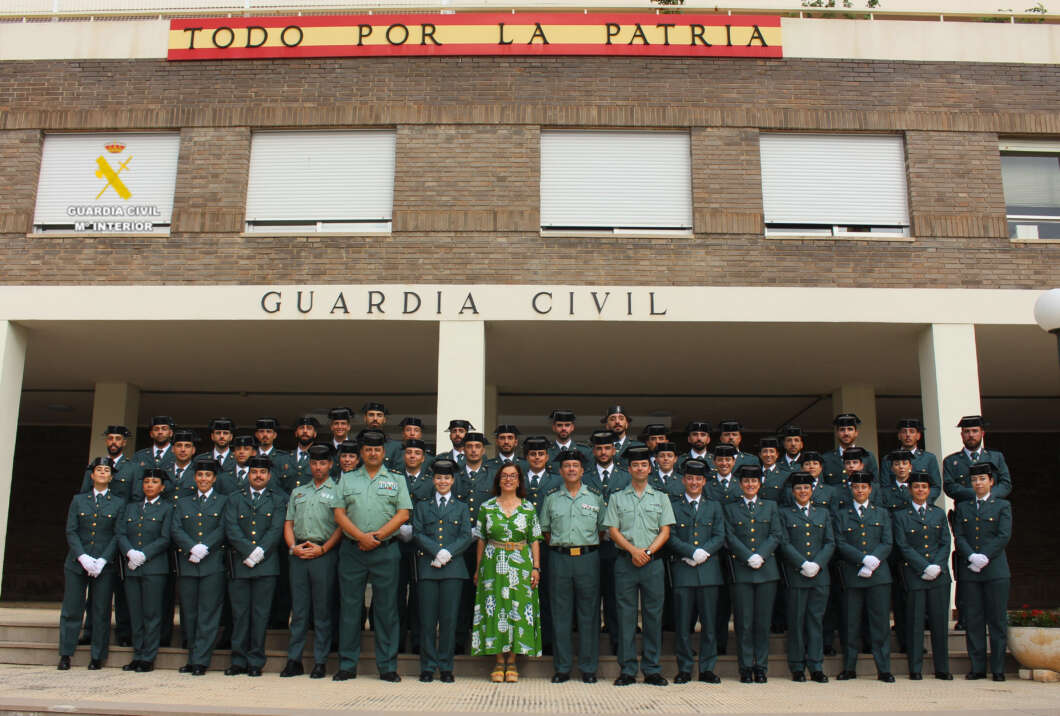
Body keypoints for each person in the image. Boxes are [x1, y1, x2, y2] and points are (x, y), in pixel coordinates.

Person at [332, 429, 412, 682]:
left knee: (386, 610)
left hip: (385, 551)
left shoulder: (396, 479)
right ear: (361, 453)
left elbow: (403, 514)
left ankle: (387, 666)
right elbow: (339, 513)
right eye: (368, 450)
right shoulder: (347, 479)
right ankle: (347, 665)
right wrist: (361, 537)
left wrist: (377, 537)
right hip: (352, 551)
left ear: (383, 452)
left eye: (377, 449)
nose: (373, 453)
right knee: (350, 608)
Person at [603, 445, 674, 686]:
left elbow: (665, 531)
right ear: (629, 469)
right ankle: (628, 669)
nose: (640, 468)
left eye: (644, 465)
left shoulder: (661, 498)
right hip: (626, 562)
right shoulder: (617, 498)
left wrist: (647, 552)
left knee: (653, 616)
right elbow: (612, 530)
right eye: (636, 465)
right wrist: (634, 551)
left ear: (650, 468)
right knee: (626, 617)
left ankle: (652, 669)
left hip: (653, 563)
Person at [471, 462, 542, 683]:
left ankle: (512, 660)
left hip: (521, 564)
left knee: (517, 609)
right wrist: (478, 569)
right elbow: (481, 540)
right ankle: (498, 660)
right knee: (495, 609)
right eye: (504, 476)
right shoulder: (487, 507)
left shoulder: (528, 508)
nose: (508, 479)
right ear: (498, 480)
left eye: (513, 476)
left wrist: (536, 567)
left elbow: (535, 539)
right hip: (493, 563)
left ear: (519, 481)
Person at [540, 449, 605, 684]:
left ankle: (588, 668)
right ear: (560, 471)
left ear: (582, 470)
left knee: (589, 614)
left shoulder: (595, 497)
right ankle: (562, 667)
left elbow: (602, 529)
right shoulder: (551, 498)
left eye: (575, 466)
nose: (571, 469)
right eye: (567, 466)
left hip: (587, 559)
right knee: (561, 614)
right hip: (560, 559)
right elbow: (545, 531)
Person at [223, 455, 288, 677]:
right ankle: (238, 660)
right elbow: (231, 527)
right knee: (239, 614)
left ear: (269, 476)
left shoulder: (277, 499)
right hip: (240, 563)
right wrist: (248, 551)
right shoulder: (235, 498)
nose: (258, 476)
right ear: (248, 475)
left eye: (262, 472)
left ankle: (255, 661)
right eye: (254, 472)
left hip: (266, 564)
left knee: (260, 615)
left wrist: (260, 552)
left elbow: (276, 528)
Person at [281, 444, 341, 679]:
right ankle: (294, 660)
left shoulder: (338, 491)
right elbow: (289, 523)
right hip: (299, 553)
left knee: (322, 610)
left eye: (323, 463)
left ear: (330, 465)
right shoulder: (298, 492)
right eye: (314, 463)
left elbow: (340, 526)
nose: (318, 467)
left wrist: (323, 548)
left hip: (323, 554)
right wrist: (293, 547)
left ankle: (320, 661)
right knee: (299, 611)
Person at [58, 457, 125, 671]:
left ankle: (97, 655)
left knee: (101, 610)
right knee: (72, 609)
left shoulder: (118, 503)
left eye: (107, 470)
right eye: (99, 470)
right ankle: (66, 653)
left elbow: (118, 534)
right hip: (77, 563)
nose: (103, 473)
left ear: (111, 477)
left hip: (104, 565)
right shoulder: (78, 500)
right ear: (92, 475)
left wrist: (103, 559)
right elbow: (71, 530)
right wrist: (82, 557)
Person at [413, 459, 473, 683]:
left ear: (453, 480)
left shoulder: (461, 507)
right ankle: (428, 666)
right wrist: (437, 551)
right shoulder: (423, 506)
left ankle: (446, 667)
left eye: (446, 478)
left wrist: (449, 552)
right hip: (428, 569)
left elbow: (466, 535)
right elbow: (418, 532)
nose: (442, 481)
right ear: (433, 480)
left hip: (453, 570)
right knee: (427, 621)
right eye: (439, 478)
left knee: (449, 621)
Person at [667, 459, 725, 684]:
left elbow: (719, 535)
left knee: (709, 625)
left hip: (708, 571)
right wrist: (691, 552)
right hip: (683, 570)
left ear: (704, 481)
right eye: (690, 478)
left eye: (698, 479)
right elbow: (670, 536)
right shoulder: (674, 506)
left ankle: (707, 668)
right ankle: (684, 668)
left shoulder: (714, 506)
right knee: (683, 625)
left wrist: (704, 552)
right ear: (683, 480)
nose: (694, 482)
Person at [724, 464, 783, 683]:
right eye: (746, 481)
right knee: (744, 622)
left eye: (754, 481)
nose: (750, 485)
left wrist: (761, 555)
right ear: (740, 484)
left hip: (766, 571)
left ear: (760, 484)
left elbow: (776, 534)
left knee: (762, 622)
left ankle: (761, 666)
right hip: (741, 570)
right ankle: (746, 666)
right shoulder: (731, 508)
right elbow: (729, 536)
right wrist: (747, 556)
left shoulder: (770, 506)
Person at [834, 471, 894, 683]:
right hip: (853, 575)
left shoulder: (881, 513)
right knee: (850, 623)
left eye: (863, 487)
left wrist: (873, 560)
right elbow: (840, 542)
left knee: (880, 624)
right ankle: (849, 667)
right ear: (851, 489)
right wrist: (862, 559)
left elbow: (887, 542)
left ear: (870, 489)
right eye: (856, 487)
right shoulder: (842, 514)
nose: (859, 490)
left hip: (878, 575)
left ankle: (884, 669)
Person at [893, 470, 953, 681]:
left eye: (924, 487)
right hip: (914, 575)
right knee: (915, 623)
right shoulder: (901, 515)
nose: (920, 490)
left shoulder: (938, 513)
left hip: (939, 575)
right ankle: (915, 668)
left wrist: (936, 566)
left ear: (929, 491)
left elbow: (945, 542)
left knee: (939, 623)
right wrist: (923, 567)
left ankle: (942, 668)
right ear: (910, 490)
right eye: (916, 487)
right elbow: (903, 545)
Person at [954, 462, 1011, 682]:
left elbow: (1003, 535)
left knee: (997, 621)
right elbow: (959, 536)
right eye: (974, 480)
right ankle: (977, 667)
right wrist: (971, 557)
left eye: (982, 479)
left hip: (995, 571)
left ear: (991, 481)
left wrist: (985, 556)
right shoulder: (963, 507)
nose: (978, 483)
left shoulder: (1002, 506)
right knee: (974, 620)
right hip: (970, 572)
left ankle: (998, 668)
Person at [170, 457, 227, 676]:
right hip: (189, 563)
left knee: (208, 613)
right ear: (195, 478)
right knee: (189, 613)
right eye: (200, 475)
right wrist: (191, 547)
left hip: (212, 564)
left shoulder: (223, 501)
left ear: (214, 478)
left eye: (208, 475)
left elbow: (224, 527)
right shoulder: (183, 502)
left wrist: (206, 546)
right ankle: (192, 656)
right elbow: (176, 528)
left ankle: (201, 660)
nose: (204, 479)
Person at [778, 471, 834, 683]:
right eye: (799, 488)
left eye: (806, 488)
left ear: (812, 490)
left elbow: (830, 542)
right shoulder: (784, 513)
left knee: (815, 621)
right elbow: (784, 543)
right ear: (793, 492)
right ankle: (797, 665)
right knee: (796, 621)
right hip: (796, 575)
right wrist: (802, 564)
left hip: (819, 576)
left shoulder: (823, 513)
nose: (803, 491)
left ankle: (816, 665)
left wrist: (817, 564)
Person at [117, 467, 174, 673]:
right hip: (132, 566)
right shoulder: (130, 507)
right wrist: (130, 552)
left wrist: (144, 554)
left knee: (152, 613)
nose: (150, 485)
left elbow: (165, 538)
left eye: (154, 482)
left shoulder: (167, 508)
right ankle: (137, 654)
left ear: (162, 487)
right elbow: (121, 533)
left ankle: (148, 657)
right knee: (135, 613)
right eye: (147, 482)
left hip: (154, 568)